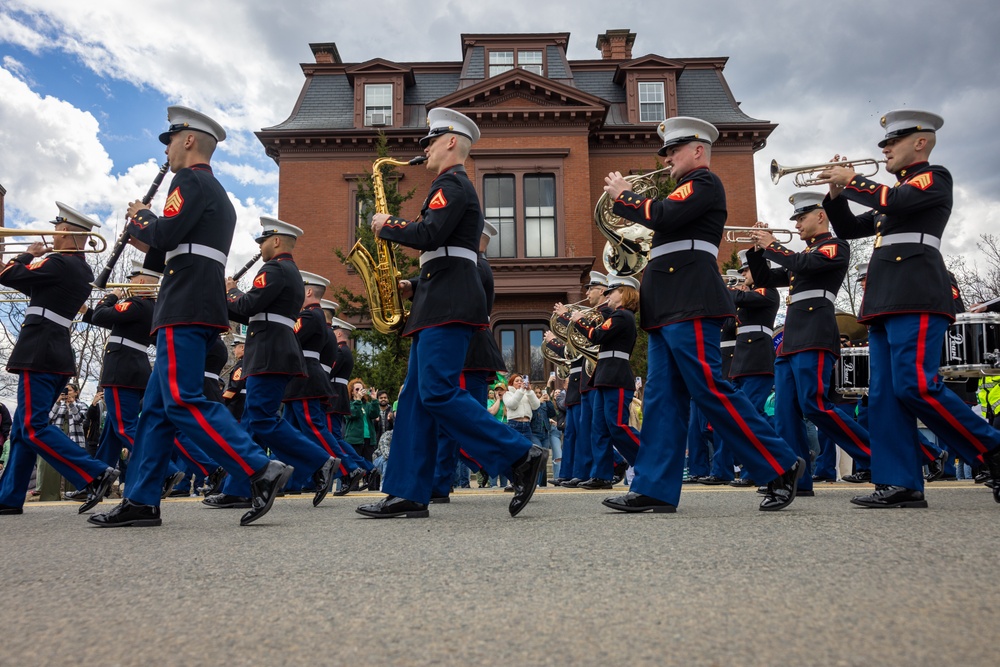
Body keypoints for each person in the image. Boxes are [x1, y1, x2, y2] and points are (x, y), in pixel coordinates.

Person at [91, 107, 286, 528]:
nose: (168, 151)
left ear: (190, 141)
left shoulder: (189, 180)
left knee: (181, 399)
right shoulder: (213, 191)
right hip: (192, 299)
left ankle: (258, 468)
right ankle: (141, 500)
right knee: (156, 412)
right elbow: (168, 248)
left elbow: (164, 234)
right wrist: (145, 233)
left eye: (171, 141)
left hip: (186, 303)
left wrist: (142, 215)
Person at [600, 116, 804, 513]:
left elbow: (661, 215)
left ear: (697, 150)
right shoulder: (684, 189)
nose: (668, 158)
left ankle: (781, 464)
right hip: (668, 305)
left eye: (674, 150)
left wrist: (624, 196)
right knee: (661, 400)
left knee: (709, 388)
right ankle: (655, 488)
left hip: (690, 300)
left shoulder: (704, 183)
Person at [360, 107, 545, 518]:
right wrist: (415, 284)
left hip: (447, 304)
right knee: (413, 401)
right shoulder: (450, 185)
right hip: (436, 298)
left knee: (437, 392)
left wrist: (388, 223)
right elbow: (439, 250)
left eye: (429, 141)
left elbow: (429, 234)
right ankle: (408, 491)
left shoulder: (453, 183)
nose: (423, 149)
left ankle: (520, 455)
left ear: (449, 142)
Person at [817, 109, 1000, 506]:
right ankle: (899, 482)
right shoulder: (892, 197)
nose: (884, 148)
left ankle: (992, 450)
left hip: (917, 293)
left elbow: (895, 199)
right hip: (884, 299)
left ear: (920, 142)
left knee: (915, 384)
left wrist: (853, 180)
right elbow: (848, 229)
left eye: (892, 141)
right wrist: (836, 194)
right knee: (883, 395)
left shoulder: (933, 178)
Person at [747, 192, 873, 499]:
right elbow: (764, 277)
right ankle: (796, 479)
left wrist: (772, 244)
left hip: (816, 334)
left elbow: (802, 263)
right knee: (786, 414)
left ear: (821, 216)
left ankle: (875, 455)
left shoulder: (834, 247)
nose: (798, 224)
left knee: (813, 405)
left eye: (802, 218)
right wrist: (755, 250)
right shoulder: (803, 255)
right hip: (791, 339)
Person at [207, 217, 338, 509]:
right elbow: (249, 313)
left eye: (263, 241)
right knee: (253, 423)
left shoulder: (275, 269)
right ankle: (238, 488)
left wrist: (230, 290)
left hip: (269, 351)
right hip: (272, 349)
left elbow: (247, 306)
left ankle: (321, 461)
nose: (261, 247)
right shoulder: (289, 272)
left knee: (263, 420)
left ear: (276, 241)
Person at [0, 203, 118, 516]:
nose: (52, 235)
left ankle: (94, 472)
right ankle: (9, 498)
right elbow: (27, 283)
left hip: (39, 351)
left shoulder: (60, 263)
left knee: (32, 426)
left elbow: (7, 274)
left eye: (57, 229)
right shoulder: (75, 268)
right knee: (23, 431)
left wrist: (27, 254)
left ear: (65, 232)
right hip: (54, 352)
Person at [79, 259, 158, 486]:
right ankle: (96, 481)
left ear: (141, 281)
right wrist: (87, 312)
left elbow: (103, 315)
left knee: (125, 427)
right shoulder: (149, 307)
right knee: (112, 434)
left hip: (121, 369)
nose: (127, 283)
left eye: (131, 279)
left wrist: (111, 296)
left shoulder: (137, 303)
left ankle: (167, 469)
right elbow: (114, 323)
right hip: (133, 369)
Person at [569, 274, 642, 489]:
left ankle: (649, 456)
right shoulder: (618, 315)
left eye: (612, 291)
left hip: (616, 377)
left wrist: (579, 320)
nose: (608, 295)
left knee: (616, 425)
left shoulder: (622, 316)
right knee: (599, 428)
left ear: (624, 294)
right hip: (604, 376)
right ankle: (601, 475)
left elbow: (596, 335)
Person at [345, 379, 380, 463]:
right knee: (355, 466)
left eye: (361, 389)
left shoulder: (367, 405)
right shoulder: (348, 404)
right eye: (357, 389)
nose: (359, 392)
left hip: (368, 439)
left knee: (368, 465)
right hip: (354, 440)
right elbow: (353, 414)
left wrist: (375, 400)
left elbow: (374, 415)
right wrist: (357, 401)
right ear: (352, 392)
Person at [221, 334, 247, 421]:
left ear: (242, 348)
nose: (233, 351)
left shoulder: (241, 364)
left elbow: (235, 386)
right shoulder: (249, 362)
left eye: (235, 347)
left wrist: (223, 400)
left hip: (238, 403)